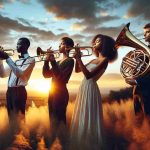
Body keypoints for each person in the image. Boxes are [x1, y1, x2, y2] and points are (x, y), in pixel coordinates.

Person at [70, 34, 118, 150]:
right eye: (95, 41)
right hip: (84, 87)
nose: (94, 43)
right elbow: (77, 70)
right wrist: (77, 57)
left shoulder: (104, 60)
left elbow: (88, 75)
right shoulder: (93, 59)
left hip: (90, 87)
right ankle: (80, 141)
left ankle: (90, 143)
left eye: (98, 41)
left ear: (105, 44)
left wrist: (79, 59)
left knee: (89, 114)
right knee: (82, 113)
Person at [42, 37, 74, 148]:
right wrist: (46, 61)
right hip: (52, 92)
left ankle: (63, 144)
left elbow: (60, 78)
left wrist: (53, 61)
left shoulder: (70, 61)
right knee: (52, 119)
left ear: (68, 47)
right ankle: (55, 144)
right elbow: (46, 75)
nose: (59, 46)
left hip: (60, 93)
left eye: (61, 44)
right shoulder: (59, 61)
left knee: (59, 120)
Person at [0, 37, 35, 122]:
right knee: (11, 119)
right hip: (10, 91)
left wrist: (7, 58)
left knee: (19, 119)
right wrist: (0, 60)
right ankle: (14, 135)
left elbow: (20, 74)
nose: (16, 46)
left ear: (25, 46)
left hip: (19, 92)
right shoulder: (15, 62)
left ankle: (22, 135)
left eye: (19, 44)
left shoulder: (31, 60)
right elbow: (3, 74)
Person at [125, 23, 150, 116]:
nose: (144, 35)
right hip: (138, 91)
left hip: (148, 92)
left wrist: (136, 80)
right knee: (140, 122)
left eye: (147, 32)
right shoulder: (145, 50)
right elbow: (140, 69)